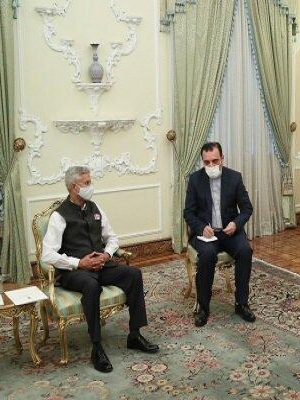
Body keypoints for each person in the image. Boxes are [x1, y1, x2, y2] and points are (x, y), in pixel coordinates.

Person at [42, 166, 158, 373]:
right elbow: (47, 255)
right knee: (91, 285)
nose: (91, 186)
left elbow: (112, 238)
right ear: (74, 187)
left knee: (134, 274)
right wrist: (79, 263)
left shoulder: (95, 208)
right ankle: (96, 347)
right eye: (86, 183)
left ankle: (134, 335)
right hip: (75, 272)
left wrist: (107, 254)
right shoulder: (59, 216)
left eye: (90, 182)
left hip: (101, 265)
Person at [184, 142, 255, 327]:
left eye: (215, 161)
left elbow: (247, 208)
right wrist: (201, 228)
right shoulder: (195, 179)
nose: (211, 165)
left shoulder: (235, 177)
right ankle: (203, 307)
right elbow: (188, 213)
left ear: (222, 158)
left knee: (245, 251)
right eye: (206, 162)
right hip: (206, 234)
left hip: (230, 232)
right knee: (207, 255)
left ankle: (241, 303)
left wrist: (236, 224)